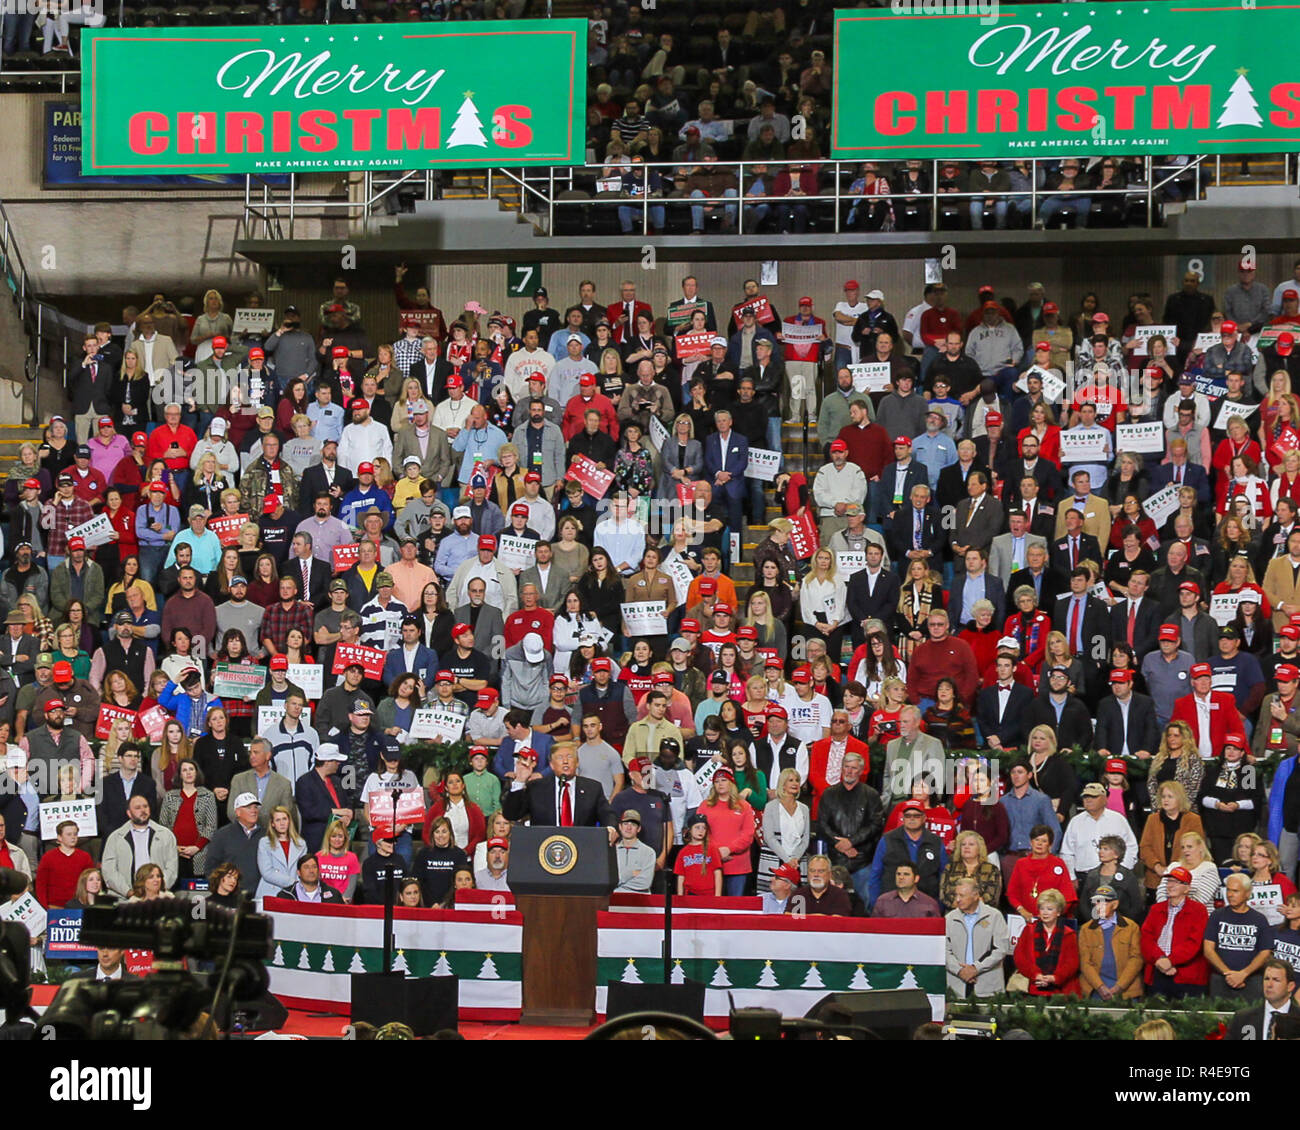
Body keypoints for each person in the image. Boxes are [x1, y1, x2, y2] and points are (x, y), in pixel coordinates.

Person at [502, 742, 617, 833]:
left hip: (582, 847)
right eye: (560, 758)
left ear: (577, 763)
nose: (565, 761)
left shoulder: (593, 788)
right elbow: (512, 814)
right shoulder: (536, 788)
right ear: (551, 765)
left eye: (570, 757)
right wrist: (520, 781)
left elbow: (607, 815)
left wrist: (611, 828)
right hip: (545, 847)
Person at [1140, 864, 1210, 998]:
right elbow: (1146, 938)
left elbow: (1194, 943)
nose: (1170, 885)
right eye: (1169, 881)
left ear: (1187, 888)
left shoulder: (1198, 910)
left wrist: (1170, 961)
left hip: (1187, 976)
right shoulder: (1156, 909)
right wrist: (1160, 959)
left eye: (1176, 882)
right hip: (1157, 970)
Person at [1204, 873, 1275, 998]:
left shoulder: (1259, 919)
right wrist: (1228, 974)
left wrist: (1243, 974)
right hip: (1221, 979)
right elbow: (1208, 949)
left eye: (1235, 891)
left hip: (1251, 981)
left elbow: (1265, 952)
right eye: (1228, 890)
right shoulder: (1217, 915)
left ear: (1247, 893)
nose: (1230, 894)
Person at [99, 795, 179, 899]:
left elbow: (172, 869)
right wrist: (129, 892)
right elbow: (109, 871)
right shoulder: (115, 838)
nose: (143, 810)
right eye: (137, 808)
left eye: (145, 806)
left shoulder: (166, 835)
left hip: (158, 898)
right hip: (124, 899)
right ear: (129, 813)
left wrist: (157, 891)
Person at [945, 877, 1010, 998]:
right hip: (957, 987)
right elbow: (944, 951)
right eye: (956, 895)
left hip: (988, 987)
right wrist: (960, 971)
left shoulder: (994, 916)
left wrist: (975, 969)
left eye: (962, 895)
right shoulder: (949, 918)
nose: (957, 900)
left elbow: (1001, 949)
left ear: (975, 896)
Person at [1077, 884, 1145, 1001]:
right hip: (1094, 991)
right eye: (1097, 902)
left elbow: (1136, 959)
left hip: (1127, 991)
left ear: (1115, 904)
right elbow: (1085, 962)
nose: (1099, 907)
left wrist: (1119, 987)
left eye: (1104, 902)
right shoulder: (1086, 929)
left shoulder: (1131, 927)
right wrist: (1100, 987)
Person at [1011, 889, 1080, 996]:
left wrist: (1055, 977)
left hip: (1061, 990)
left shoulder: (1069, 934)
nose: (1045, 912)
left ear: (1058, 912)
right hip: (1033, 986)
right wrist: (1036, 975)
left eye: (1049, 909)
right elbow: (1020, 957)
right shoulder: (1029, 930)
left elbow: (1072, 963)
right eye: (1042, 908)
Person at [202, 792, 263, 894]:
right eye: (248, 807)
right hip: (230, 896)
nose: (254, 811)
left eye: (256, 807)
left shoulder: (266, 836)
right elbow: (211, 867)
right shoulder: (222, 835)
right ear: (238, 812)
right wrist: (221, 890)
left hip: (260, 895)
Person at [1226, 958, 1297, 1040]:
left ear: (1290, 986)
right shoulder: (1242, 1019)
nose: (1269, 985)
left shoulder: (1297, 1018)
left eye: (1276, 980)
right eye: (1266, 979)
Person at [34, 820, 94, 908]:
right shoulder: (48, 857)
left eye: (75, 834)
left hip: (78, 907)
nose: (73, 837)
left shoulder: (85, 857)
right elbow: (41, 885)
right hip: (54, 907)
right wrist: (44, 907)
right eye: (69, 834)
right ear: (59, 837)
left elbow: (90, 883)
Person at [788, 854, 852, 917]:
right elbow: (788, 917)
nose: (816, 874)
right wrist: (817, 917)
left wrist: (806, 917)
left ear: (829, 874)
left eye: (821, 871)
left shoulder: (839, 895)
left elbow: (838, 920)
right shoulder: (798, 894)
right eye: (812, 871)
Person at [875, 860, 943, 918]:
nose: (901, 877)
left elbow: (936, 930)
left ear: (916, 878)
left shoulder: (929, 904)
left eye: (906, 874)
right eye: (898, 874)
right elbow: (874, 929)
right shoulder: (883, 901)